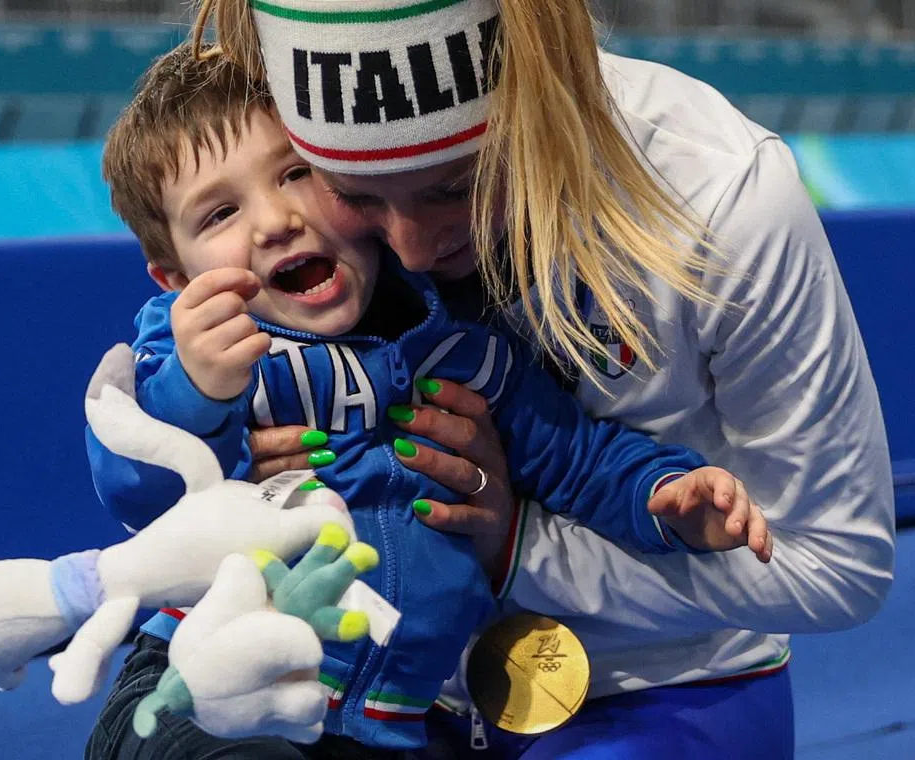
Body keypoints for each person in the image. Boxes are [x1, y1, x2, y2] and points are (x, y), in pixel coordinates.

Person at [174, 0, 898, 758]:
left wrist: (518, 550)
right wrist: (230, 468)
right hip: (379, 695)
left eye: (457, 187)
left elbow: (838, 566)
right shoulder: (276, 190)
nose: (412, 250)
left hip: (662, 693)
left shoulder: (717, 194)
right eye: (355, 196)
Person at [84, 42, 772, 759]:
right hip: (205, 689)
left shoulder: (461, 346)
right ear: (172, 275)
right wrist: (197, 395)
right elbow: (139, 488)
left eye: (295, 174)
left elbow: (574, 454)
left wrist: (665, 494)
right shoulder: (194, 346)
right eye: (220, 213)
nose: (275, 220)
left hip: (389, 723)